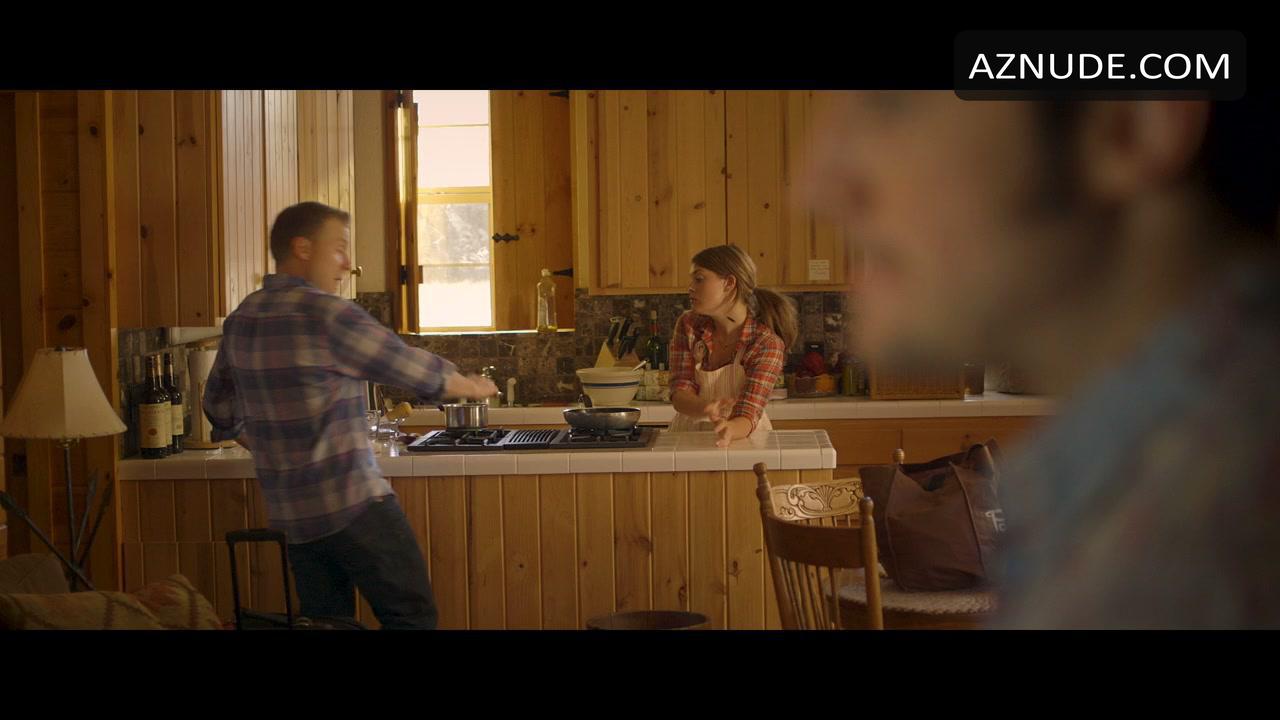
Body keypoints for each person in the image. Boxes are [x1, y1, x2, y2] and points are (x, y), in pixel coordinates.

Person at [807, 90, 1280, 628]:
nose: (815, 186)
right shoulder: (1150, 476)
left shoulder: (1206, 534)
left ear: (1128, 128)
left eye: (892, 105)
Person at [203, 201, 497, 629]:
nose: (346, 263)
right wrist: (470, 386)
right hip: (353, 506)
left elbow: (218, 406)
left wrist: (268, 448)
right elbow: (403, 363)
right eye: (338, 247)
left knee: (328, 624)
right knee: (412, 618)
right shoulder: (326, 313)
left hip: (294, 518)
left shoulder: (242, 318)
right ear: (303, 248)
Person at [668, 244, 799, 447]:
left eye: (699, 279)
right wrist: (704, 407)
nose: (690, 287)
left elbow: (749, 411)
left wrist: (729, 429)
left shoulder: (766, 343)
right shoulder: (689, 325)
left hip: (744, 437)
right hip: (688, 435)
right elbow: (680, 389)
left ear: (729, 283)